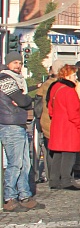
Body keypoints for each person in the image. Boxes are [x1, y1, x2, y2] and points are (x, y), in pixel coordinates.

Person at [0, 53, 39, 213]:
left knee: (25, 163)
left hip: (18, 123)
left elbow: (22, 100)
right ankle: (10, 197)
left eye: (20, 62)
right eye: (15, 62)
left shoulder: (17, 80)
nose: (18, 65)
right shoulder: (5, 79)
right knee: (15, 163)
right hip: (10, 125)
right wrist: (25, 99)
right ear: (8, 63)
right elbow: (23, 101)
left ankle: (24, 195)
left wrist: (24, 98)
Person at [45, 63, 80, 191]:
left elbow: (50, 107)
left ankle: (54, 180)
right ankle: (66, 180)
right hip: (69, 126)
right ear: (67, 76)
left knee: (58, 154)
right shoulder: (69, 91)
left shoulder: (55, 87)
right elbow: (73, 112)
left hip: (57, 124)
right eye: (73, 75)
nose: (75, 78)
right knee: (69, 154)